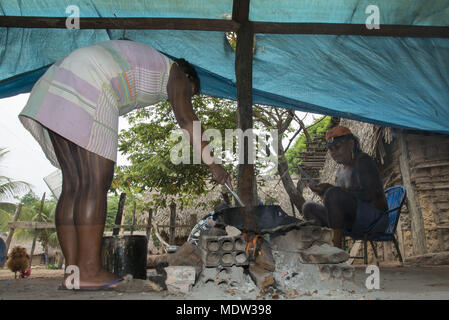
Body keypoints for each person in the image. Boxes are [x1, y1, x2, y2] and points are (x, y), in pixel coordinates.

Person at [18, 40, 232, 290]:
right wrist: (213, 164)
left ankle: (73, 273)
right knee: (96, 182)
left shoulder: (151, 67)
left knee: (75, 186)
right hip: (92, 81)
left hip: (59, 80)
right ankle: (88, 270)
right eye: (190, 93)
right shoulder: (177, 73)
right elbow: (186, 119)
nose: (186, 97)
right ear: (187, 78)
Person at [302, 126, 388, 248]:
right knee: (308, 207)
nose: (334, 152)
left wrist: (331, 190)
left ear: (351, 143)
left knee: (333, 193)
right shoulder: (340, 171)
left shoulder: (363, 161)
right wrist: (323, 192)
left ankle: (336, 250)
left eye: (338, 147)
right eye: (331, 149)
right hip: (352, 222)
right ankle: (320, 247)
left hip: (374, 220)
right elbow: (340, 205)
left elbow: (369, 195)